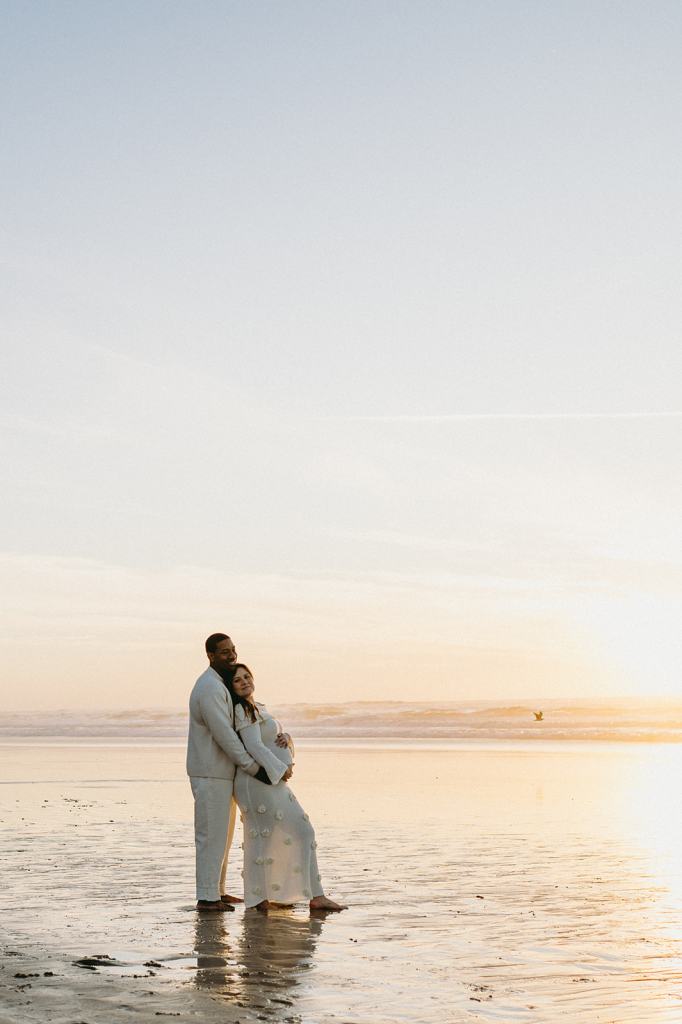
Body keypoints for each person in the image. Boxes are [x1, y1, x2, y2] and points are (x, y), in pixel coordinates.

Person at [223, 663, 347, 914]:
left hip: (269, 779)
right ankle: (265, 899)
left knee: (286, 834)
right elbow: (255, 747)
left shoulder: (258, 707)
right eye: (238, 680)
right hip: (258, 782)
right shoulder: (241, 709)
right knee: (280, 834)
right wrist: (281, 770)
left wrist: (288, 739)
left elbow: (271, 740)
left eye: (247, 676)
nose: (244, 682)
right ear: (231, 687)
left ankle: (279, 895)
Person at [186, 633, 291, 913]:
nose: (231, 655)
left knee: (224, 835)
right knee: (210, 835)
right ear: (210, 655)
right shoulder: (209, 687)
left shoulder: (221, 684)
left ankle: (217, 892)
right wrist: (253, 768)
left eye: (233, 650)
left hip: (223, 772)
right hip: (210, 772)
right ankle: (207, 898)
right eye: (224, 652)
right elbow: (225, 736)